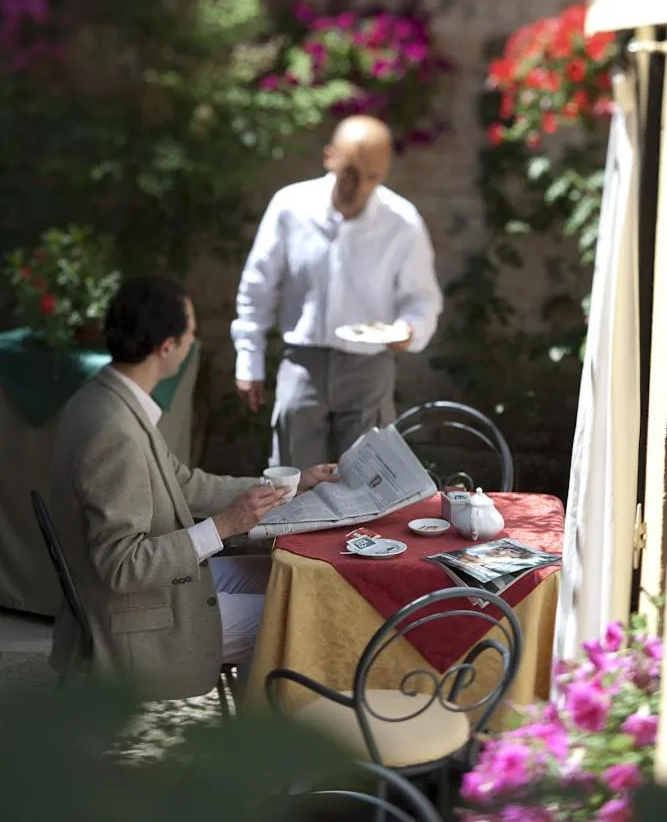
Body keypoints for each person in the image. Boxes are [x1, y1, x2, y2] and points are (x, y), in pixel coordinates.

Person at [49, 276, 337, 700]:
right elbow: (122, 566)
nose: (192, 343)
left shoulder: (104, 397)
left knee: (284, 576)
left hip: (140, 599)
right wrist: (223, 526)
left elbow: (182, 483)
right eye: (191, 334)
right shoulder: (116, 432)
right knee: (303, 616)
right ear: (167, 347)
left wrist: (288, 486)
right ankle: (274, 733)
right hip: (135, 623)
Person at [232, 115, 443, 469]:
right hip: (303, 362)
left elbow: (421, 298)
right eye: (350, 172)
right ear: (329, 156)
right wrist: (248, 358)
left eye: (371, 176)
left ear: (385, 173)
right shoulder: (290, 207)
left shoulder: (402, 222)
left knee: (370, 481)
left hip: (369, 368)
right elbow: (258, 286)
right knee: (292, 481)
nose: (358, 186)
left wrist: (410, 330)